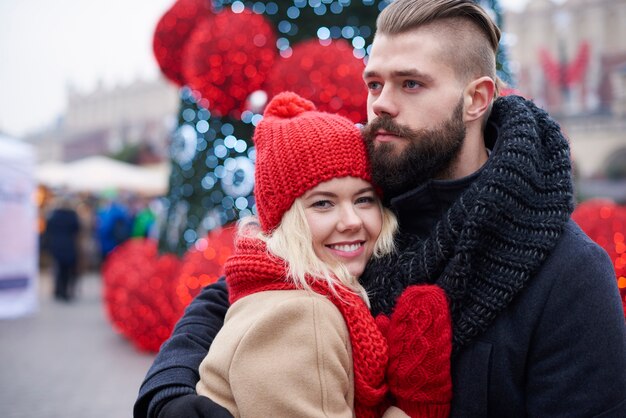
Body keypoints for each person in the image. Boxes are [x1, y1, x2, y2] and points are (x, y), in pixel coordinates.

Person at [135, 0, 626, 417]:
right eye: (374, 84)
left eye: (410, 84)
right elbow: (236, 286)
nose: (380, 105)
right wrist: (171, 389)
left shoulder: (567, 271)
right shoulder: (358, 205)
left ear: (477, 98)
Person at [170, 91, 451, 417]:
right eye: (323, 203)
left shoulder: (293, 289)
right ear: (284, 219)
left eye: (363, 199)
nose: (351, 221)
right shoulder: (302, 316)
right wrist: (413, 407)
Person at [44, 195, 81, 301]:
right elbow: (77, 229)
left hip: (56, 245)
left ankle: (58, 290)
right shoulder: (72, 216)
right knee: (67, 270)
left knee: (58, 269)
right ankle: (65, 291)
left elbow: (48, 230)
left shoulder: (53, 215)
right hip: (69, 245)